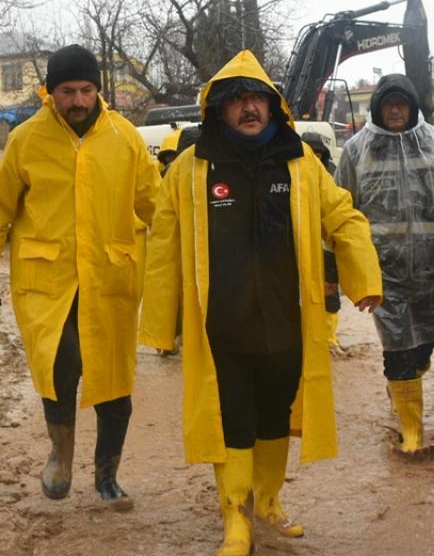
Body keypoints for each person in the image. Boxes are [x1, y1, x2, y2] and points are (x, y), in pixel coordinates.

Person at [141, 50, 382, 556]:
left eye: (258, 99)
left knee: (275, 416)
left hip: (286, 320)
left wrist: (363, 277)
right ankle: (236, 517)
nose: (249, 108)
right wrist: (162, 322)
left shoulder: (300, 163)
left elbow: (343, 217)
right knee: (231, 419)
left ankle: (268, 502)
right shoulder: (189, 169)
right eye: (238, 100)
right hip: (221, 324)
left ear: (273, 107)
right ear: (219, 109)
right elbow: (163, 246)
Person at [0, 44, 160, 511]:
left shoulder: (125, 138)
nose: (78, 101)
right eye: (68, 91)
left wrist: (188, 259)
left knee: (114, 379)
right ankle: (61, 456)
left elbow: (158, 206)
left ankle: (108, 476)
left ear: (98, 90)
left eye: (86, 90)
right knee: (60, 366)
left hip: (110, 277)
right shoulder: (26, 140)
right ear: (50, 92)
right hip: (48, 280)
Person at [335, 74, 434, 454]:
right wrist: (333, 270)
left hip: (431, 269)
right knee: (398, 351)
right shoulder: (357, 150)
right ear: (378, 108)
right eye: (388, 104)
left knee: (424, 346)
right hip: (381, 272)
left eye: (401, 103)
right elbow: (339, 209)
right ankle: (411, 434)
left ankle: (402, 390)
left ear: (412, 107)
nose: (395, 110)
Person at [301, 132, 345, 349]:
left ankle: (329, 338)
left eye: (318, 153)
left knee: (330, 293)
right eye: (311, 152)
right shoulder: (291, 174)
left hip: (328, 247)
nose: (314, 157)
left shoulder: (333, 175)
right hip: (302, 247)